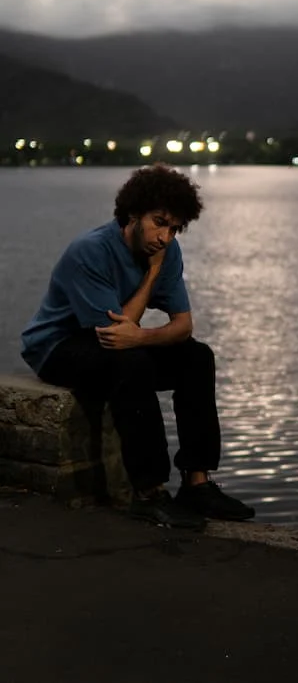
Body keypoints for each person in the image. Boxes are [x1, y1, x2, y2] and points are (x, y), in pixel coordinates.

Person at [21, 163, 254, 529]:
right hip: (57, 347)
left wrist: (144, 335)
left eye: (174, 228)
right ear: (133, 214)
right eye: (159, 222)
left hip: (116, 342)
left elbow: (183, 326)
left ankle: (197, 484)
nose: (165, 237)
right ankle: (149, 492)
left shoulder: (166, 251)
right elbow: (115, 334)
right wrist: (152, 275)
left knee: (197, 357)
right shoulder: (91, 251)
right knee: (132, 363)